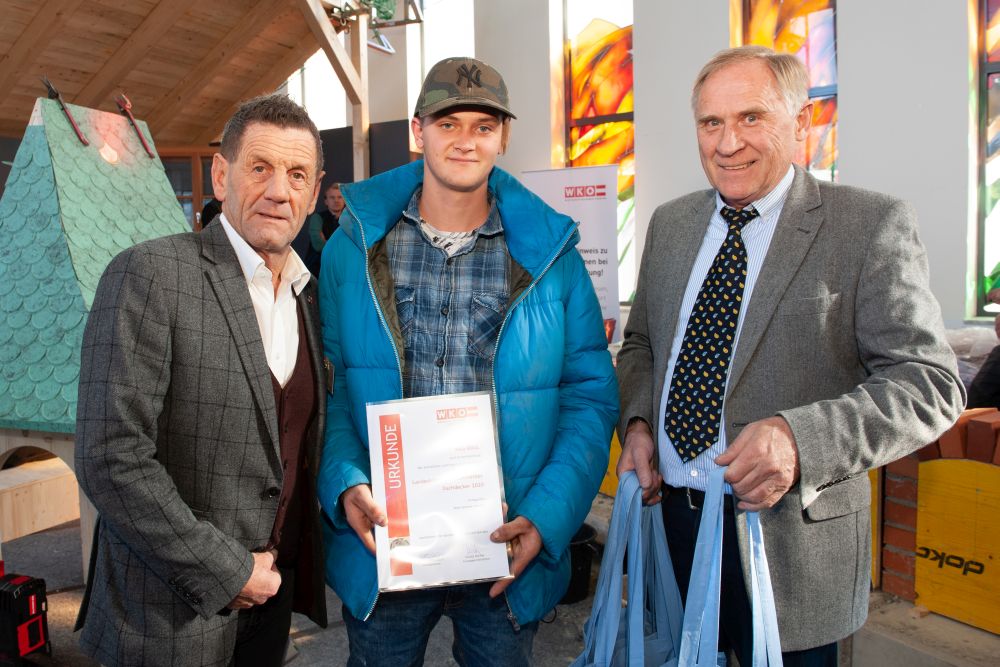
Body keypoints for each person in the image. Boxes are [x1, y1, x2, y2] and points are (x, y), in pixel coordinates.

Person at [616, 46, 964, 666]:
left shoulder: (867, 225)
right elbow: (642, 344)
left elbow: (929, 384)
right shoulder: (670, 225)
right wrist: (639, 422)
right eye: (711, 122)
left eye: (751, 117)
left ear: (802, 122)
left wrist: (800, 440)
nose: (728, 144)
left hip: (790, 545)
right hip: (673, 523)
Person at [317, 56, 618, 665]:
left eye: (484, 126)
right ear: (418, 131)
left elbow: (589, 396)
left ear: (503, 137)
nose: (465, 140)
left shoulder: (551, 256)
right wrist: (346, 481)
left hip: (504, 542)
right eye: (448, 123)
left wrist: (546, 516)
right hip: (388, 542)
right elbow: (331, 389)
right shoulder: (353, 249)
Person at [74, 93, 329, 667]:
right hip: (166, 616)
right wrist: (227, 570)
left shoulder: (308, 295)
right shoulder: (150, 274)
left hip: (271, 603)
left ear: (314, 193)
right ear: (221, 175)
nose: (279, 191)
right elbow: (110, 455)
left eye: (296, 174)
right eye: (259, 168)